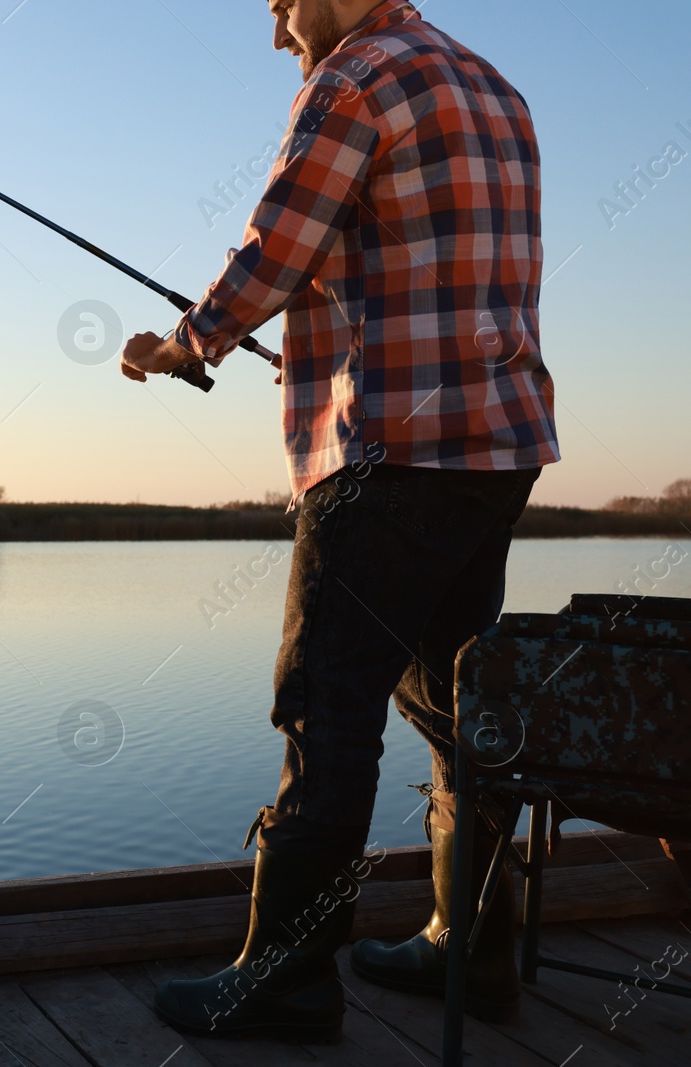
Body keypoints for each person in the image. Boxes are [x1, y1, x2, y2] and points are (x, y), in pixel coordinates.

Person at [119, 0, 559, 1042]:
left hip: (383, 461)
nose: (277, 34)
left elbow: (274, 250)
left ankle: (288, 974)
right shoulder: (495, 87)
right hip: (494, 447)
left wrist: (182, 347)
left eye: (278, 7)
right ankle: (473, 944)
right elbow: (427, 273)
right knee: (455, 698)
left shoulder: (351, 79)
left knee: (325, 704)